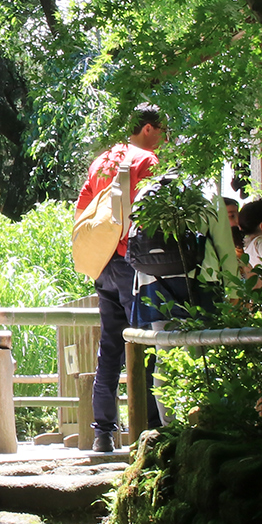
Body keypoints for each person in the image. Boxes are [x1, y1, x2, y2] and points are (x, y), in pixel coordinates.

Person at [73, 104, 165, 454]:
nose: (162, 140)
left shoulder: (102, 161)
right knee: (147, 339)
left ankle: (104, 434)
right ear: (147, 129)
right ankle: (152, 426)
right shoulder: (145, 160)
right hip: (131, 258)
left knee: (111, 345)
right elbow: (151, 212)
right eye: (160, 132)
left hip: (103, 261)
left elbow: (82, 208)